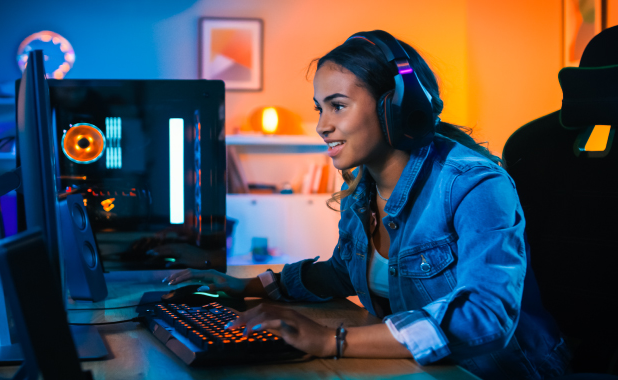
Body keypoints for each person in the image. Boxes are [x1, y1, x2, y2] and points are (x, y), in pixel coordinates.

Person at [163, 30, 569, 380]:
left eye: (337, 105)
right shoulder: (362, 185)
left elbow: (485, 316)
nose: (322, 125)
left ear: (397, 107)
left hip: (502, 372)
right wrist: (247, 287)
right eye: (319, 109)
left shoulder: (475, 184)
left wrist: (331, 340)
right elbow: (343, 273)